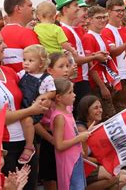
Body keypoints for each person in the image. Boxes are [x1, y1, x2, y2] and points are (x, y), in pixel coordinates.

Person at [0, 28, 48, 190]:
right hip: (3, 147)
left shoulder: (9, 72)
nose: (6, 45)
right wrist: (32, 110)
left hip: (25, 142)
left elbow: (31, 93)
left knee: (29, 186)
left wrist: (46, 96)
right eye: (0, 42)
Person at [36, 52, 73, 190]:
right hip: (50, 139)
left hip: (67, 139)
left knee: (66, 177)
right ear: (50, 70)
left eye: (67, 66)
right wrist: (51, 139)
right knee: (51, 178)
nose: (66, 70)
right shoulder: (45, 92)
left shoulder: (68, 87)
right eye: (61, 66)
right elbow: (36, 121)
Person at [76, 95, 126, 189]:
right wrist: (100, 161)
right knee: (118, 177)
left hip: (92, 165)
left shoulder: (95, 125)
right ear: (86, 111)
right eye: (95, 108)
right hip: (81, 168)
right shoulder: (81, 128)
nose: (100, 110)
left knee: (123, 175)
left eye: (100, 107)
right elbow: (83, 157)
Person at [56, 0, 96, 113]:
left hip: (81, 78)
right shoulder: (63, 30)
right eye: (75, 5)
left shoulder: (70, 29)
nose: (78, 8)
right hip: (76, 80)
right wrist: (94, 57)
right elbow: (74, 60)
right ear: (65, 9)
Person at [17, 45, 56, 165]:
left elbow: (52, 91)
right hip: (23, 105)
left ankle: (29, 147)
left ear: (41, 63)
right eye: (24, 60)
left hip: (35, 108)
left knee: (28, 120)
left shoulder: (46, 78)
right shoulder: (22, 73)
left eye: (30, 60)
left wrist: (43, 97)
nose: (26, 63)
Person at [50, 78, 90, 190]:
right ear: (58, 97)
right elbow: (59, 145)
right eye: (70, 92)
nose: (74, 95)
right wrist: (79, 138)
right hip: (68, 161)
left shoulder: (67, 111)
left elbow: (72, 132)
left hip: (75, 156)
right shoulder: (59, 117)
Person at [102, 0, 126, 113]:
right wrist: (125, 45)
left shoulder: (124, 30)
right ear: (109, 11)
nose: (121, 13)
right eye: (117, 10)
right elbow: (112, 52)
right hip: (117, 76)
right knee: (122, 110)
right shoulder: (106, 31)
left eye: (123, 10)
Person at [82, 6, 116, 120]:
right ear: (90, 19)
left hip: (106, 80)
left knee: (110, 116)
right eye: (98, 18)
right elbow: (91, 65)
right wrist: (102, 86)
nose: (102, 20)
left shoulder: (101, 36)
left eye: (104, 17)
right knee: (105, 117)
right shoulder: (88, 37)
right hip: (97, 84)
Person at [1, 0, 40, 72]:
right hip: (29, 82)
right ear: (18, 8)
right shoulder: (26, 33)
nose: (33, 8)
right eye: (29, 5)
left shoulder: (1, 33)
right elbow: (40, 64)